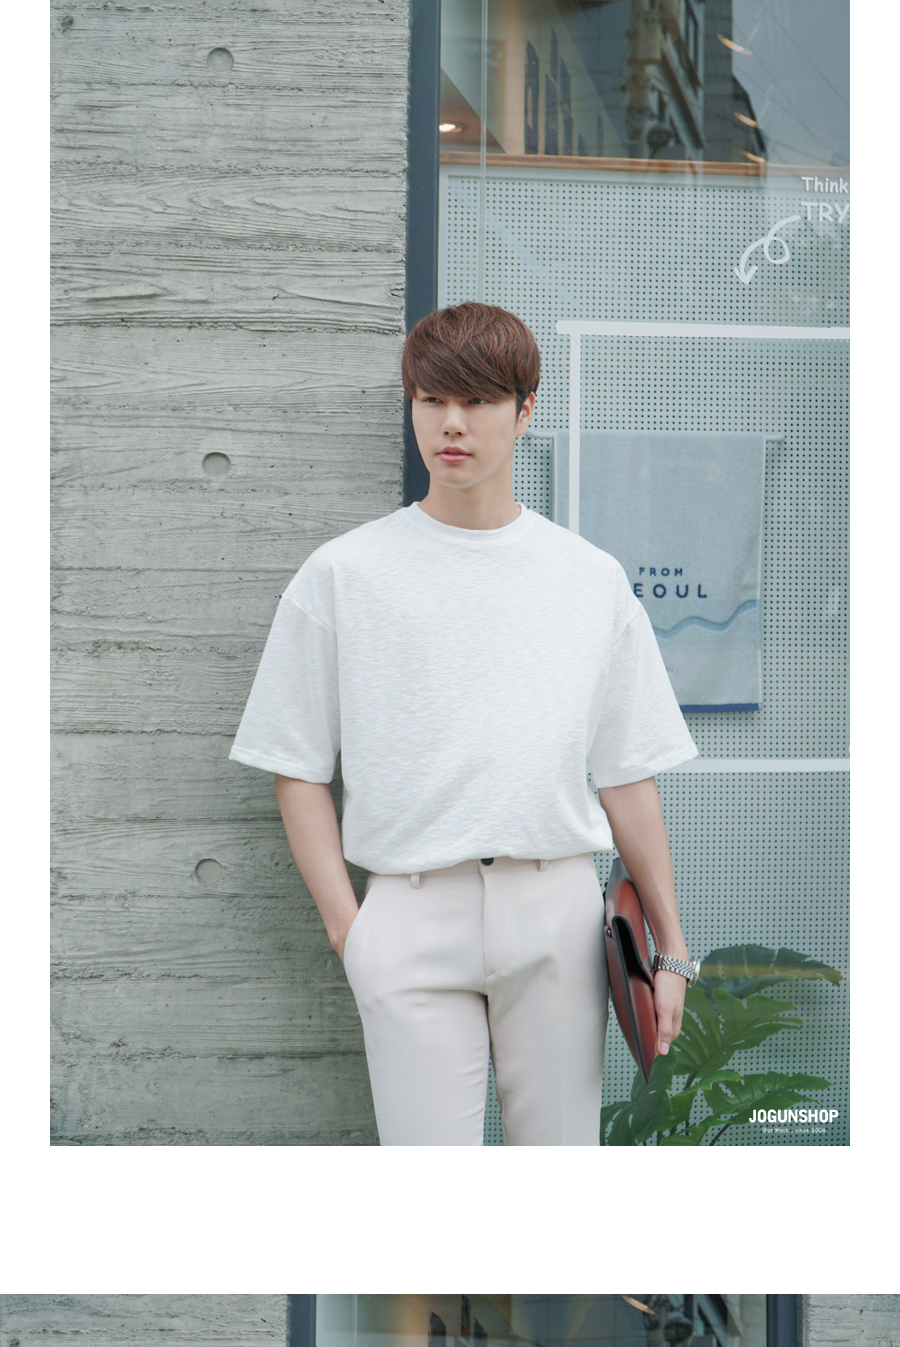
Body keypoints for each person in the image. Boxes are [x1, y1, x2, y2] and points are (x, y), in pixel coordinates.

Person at [230, 295, 700, 1149]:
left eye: (478, 400)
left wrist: (670, 950)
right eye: (431, 399)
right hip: (406, 913)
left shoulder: (587, 579)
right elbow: (294, 764)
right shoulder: (343, 574)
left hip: (556, 910)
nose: (452, 423)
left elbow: (627, 772)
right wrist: (349, 929)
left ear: (524, 411)